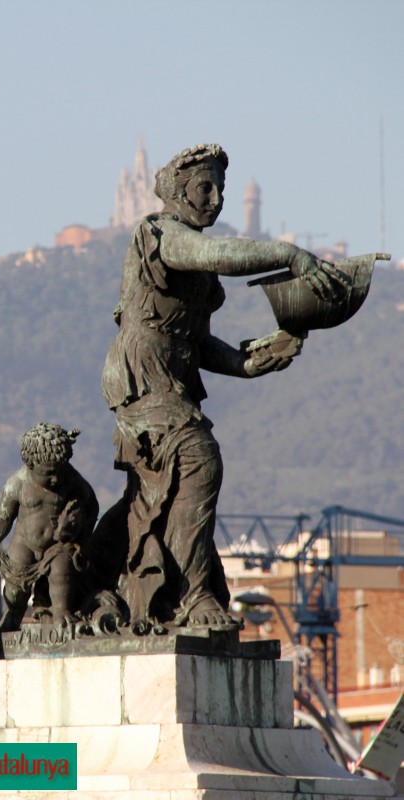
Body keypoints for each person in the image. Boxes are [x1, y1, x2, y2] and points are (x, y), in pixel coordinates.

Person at [96, 143, 345, 630]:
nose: (215, 199)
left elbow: (200, 343)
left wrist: (250, 362)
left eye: (221, 190)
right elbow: (215, 252)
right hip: (142, 379)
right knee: (196, 458)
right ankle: (191, 598)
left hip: (175, 379)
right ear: (176, 193)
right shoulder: (158, 233)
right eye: (204, 188)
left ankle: (98, 575)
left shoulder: (197, 265)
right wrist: (288, 254)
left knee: (151, 494)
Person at [0, 423, 98, 629]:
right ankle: (14, 616)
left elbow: (92, 507)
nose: (56, 478)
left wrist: (78, 532)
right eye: (49, 473)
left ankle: (61, 612)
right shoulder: (17, 483)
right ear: (31, 464)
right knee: (15, 589)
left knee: (62, 574)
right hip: (24, 543)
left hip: (57, 545)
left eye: (60, 470)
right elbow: (2, 518)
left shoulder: (72, 481)